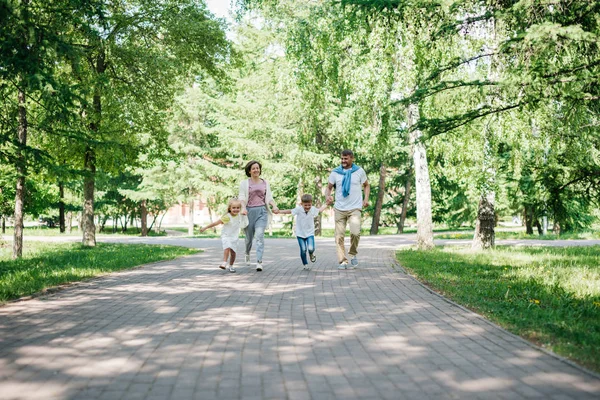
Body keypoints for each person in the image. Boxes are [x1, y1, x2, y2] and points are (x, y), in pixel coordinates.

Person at [324, 149, 370, 270]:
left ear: (352, 159)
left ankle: (353, 253)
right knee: (339, 236)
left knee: (355, 232)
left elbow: (366, 185)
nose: (343, 161)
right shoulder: (335, 173)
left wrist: (366, 199)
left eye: (346, 158)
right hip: (339, 208)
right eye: (342, 159)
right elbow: (328, 188)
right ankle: (342, 261)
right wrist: (327, 196)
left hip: (355, 207)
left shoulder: (359, 171)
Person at [238, 160, 279, 271]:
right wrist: (243, 208)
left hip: (261, 211)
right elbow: (241, 197)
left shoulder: (265, 183)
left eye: (257, 168)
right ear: (249, 171)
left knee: (259, 236)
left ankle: (259, 261)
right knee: (249, 239)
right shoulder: (244, 183)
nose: (256, 170)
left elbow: (269, 197)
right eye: (253, 168)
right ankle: (247, 253)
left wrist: (274, 206)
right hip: (248, 212)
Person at [276, 194, 328, 271]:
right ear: (301, 204)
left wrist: (327, 203)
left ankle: (311, 254)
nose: (307, 207)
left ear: (311, 203)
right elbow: (289, 211)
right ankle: (305, 264)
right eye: (305, 205)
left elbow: (320, 210)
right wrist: (279, 211)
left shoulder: (313, 209)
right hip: (300, 233)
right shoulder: (299, 209)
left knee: (311, 248)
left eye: (309, 205)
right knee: (303, 249)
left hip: (309, 233)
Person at [199, 198, 243, 273]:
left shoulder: (240, 215)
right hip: (226, 235)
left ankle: (231, 266)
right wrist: (205, 227)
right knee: (227, 247)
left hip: (234, 236)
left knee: (233, 252)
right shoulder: (227, 217)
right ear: (230, 208)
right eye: (234, 208)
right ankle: (224, 262)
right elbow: (216, 223)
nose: (236, 209)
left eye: (238, 208)